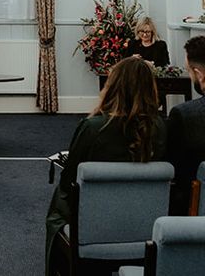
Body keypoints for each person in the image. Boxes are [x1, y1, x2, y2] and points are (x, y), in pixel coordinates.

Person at [45, 56, 167, 273]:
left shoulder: (92, 127)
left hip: (95, 227)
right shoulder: (162, 129)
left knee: (60, 200)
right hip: (147, 227)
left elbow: (69, 180)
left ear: (112, 87)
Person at [167, 35, 205, 215]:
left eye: (189, 71)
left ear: (199, 74)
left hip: (194, 214)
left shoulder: (184, 116)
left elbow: (172, 170)